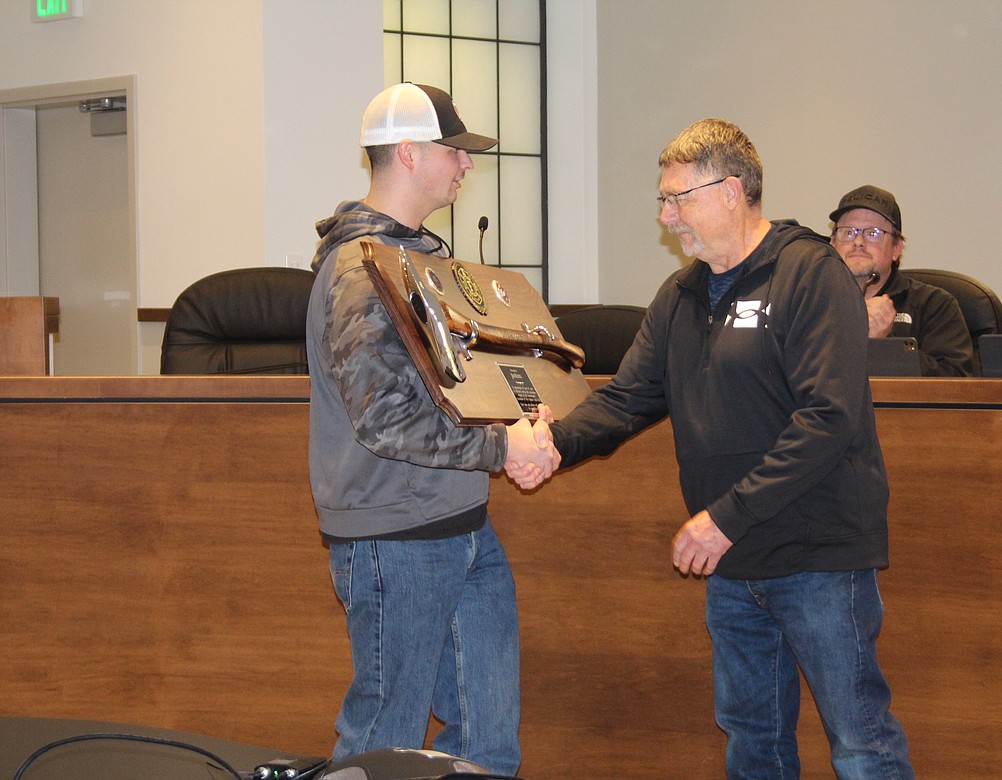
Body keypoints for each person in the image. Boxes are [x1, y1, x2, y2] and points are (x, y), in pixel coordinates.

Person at [549, 119, 914, 779]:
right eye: (664, 200)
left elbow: (827, 418)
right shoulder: (681, 296)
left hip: (819, 559)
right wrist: (551, 444)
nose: (667, 216)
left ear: (734, 191)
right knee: (754, 745)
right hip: (735, 569)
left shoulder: (810, 274)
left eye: (679, 197)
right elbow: (630, 396)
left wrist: (724, 517)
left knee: (861, 747)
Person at [306, 82, 558, 774]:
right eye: (456, 151)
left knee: (486, 743)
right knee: (380, 745)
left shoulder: (417, 260)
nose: (466, 166)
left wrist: (522, 418)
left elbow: (453, 390)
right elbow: (387, 420)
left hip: (459, 522)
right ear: (411, 153)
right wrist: (507, 447)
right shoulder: (360, 271)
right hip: (395, 539)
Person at [829, 184, 975, 376]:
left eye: (872, 233)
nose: (858, 242)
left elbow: (956, 387)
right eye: (848, 232)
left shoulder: (935, 306)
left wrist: (884, 345)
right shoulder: (809, 303)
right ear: (832, 244)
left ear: (897, 248)